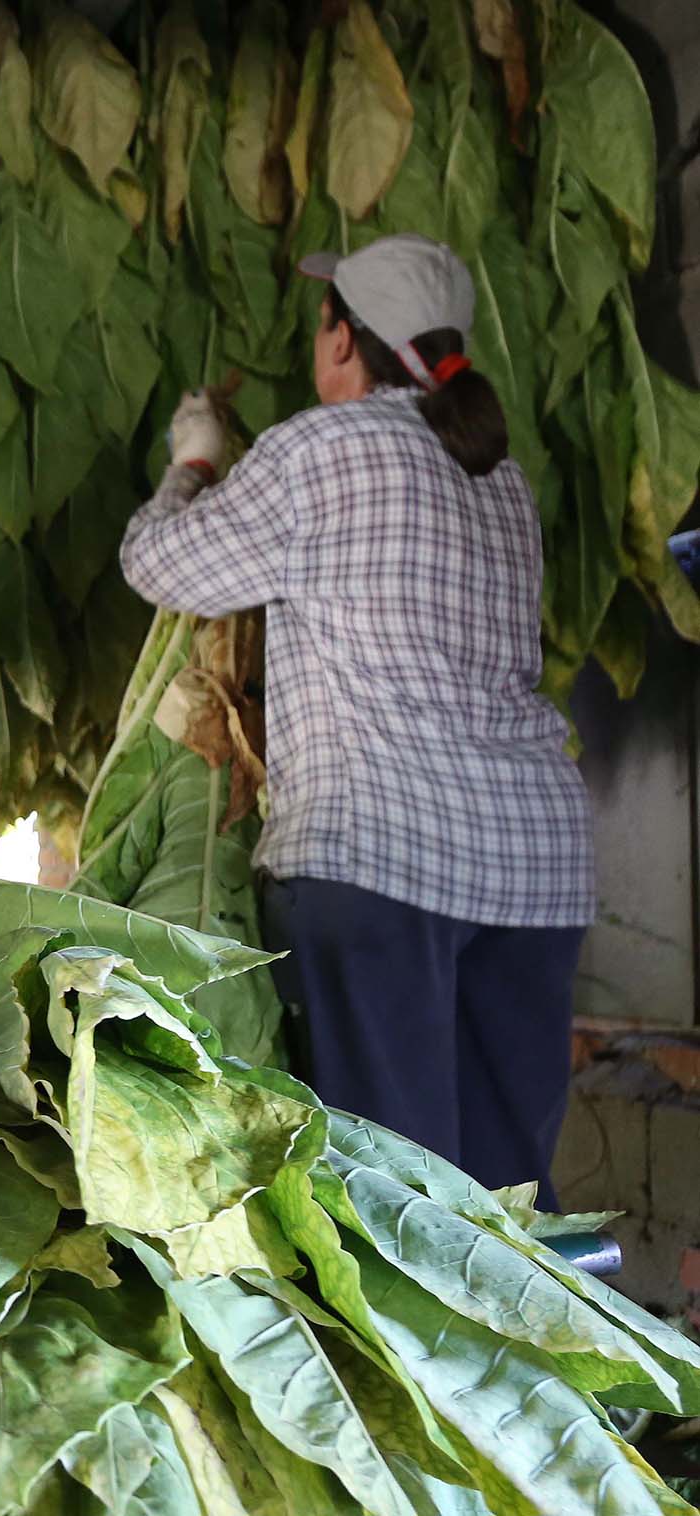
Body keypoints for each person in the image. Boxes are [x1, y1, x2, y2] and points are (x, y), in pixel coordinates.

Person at [120, 233, 593, 1206]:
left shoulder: (317, 448)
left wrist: (195, 461)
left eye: (320, 324)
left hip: (378, 856)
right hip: (531, 863)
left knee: (389, 1204)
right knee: (506, 1200)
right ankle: (535, 1352)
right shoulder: (497, 475)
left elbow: (159, 564)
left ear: (342, 343)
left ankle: (402, 1360)